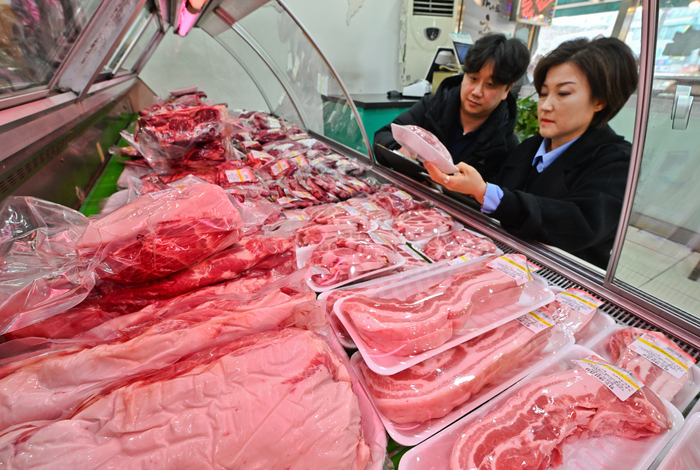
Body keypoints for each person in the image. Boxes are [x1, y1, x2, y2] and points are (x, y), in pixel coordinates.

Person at [424, 37, 639, 269]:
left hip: (564, 284)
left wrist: (484, 191)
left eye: (563, 93)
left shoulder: (617, 161)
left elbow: (577, 224)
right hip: (503, 265)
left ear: (600, 101)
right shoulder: (528, 148)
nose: (545, 105)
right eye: (544, 93)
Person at [374, 33, 530, 181]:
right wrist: (399, 151)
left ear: (507, 90)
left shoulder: (506, 145)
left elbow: (494, 200)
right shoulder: (433, 106)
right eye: (473, 78)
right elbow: (382, 136)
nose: (476, 92)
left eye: (490, 85)